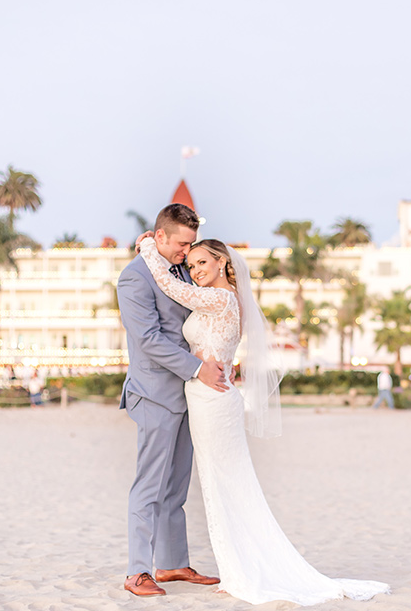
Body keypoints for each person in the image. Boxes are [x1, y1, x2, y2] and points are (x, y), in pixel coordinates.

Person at [135, 231, 390, 606]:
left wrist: (146, 248)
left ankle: (242, 571)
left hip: (212, 401)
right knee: (221, 484)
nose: (195, 270)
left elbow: (169, 285)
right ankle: (238, 566)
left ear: (223, 262)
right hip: (211, 397)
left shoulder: (220, 298)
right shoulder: (226, 300)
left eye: (202, 262)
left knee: (226, 485)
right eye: (191, 265)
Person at [116, 204, 227, 597]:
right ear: (159, 236)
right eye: (182, 243)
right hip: (155, 394)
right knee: (149, 485)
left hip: (188, 395)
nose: (187, 251)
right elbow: (148, 340)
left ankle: (172, 563)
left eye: (191, 243)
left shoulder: (178, 269)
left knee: (176, 486)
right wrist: (198, 369)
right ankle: (137, 572)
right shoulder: (134, 279)